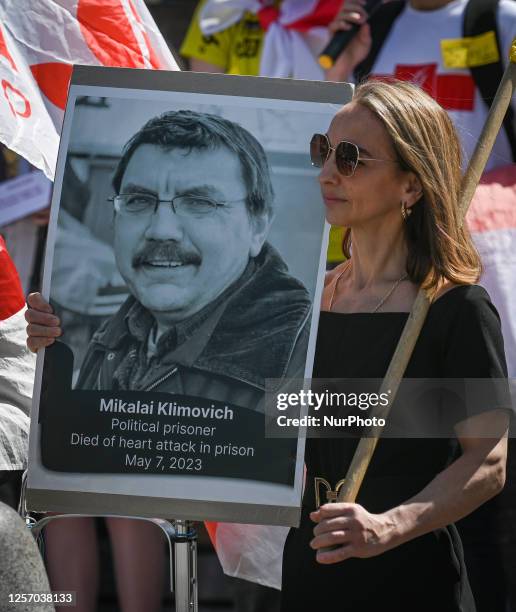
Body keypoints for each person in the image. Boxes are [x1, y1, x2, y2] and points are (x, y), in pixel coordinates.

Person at [25, 109, 312, 612]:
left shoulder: (295, 343)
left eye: (198, 202)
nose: (162, 229)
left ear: (257, 224)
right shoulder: (123, 333)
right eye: (138, 201)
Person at [281, 79, 511, 611]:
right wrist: (69, 330)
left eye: (351, 157)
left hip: (408, 577)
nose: (327, 172)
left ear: (411, 186)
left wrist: (389, 526)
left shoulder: (455, 309)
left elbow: (488, 463)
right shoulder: (309, 300)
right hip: (310, 567)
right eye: (324, 150)